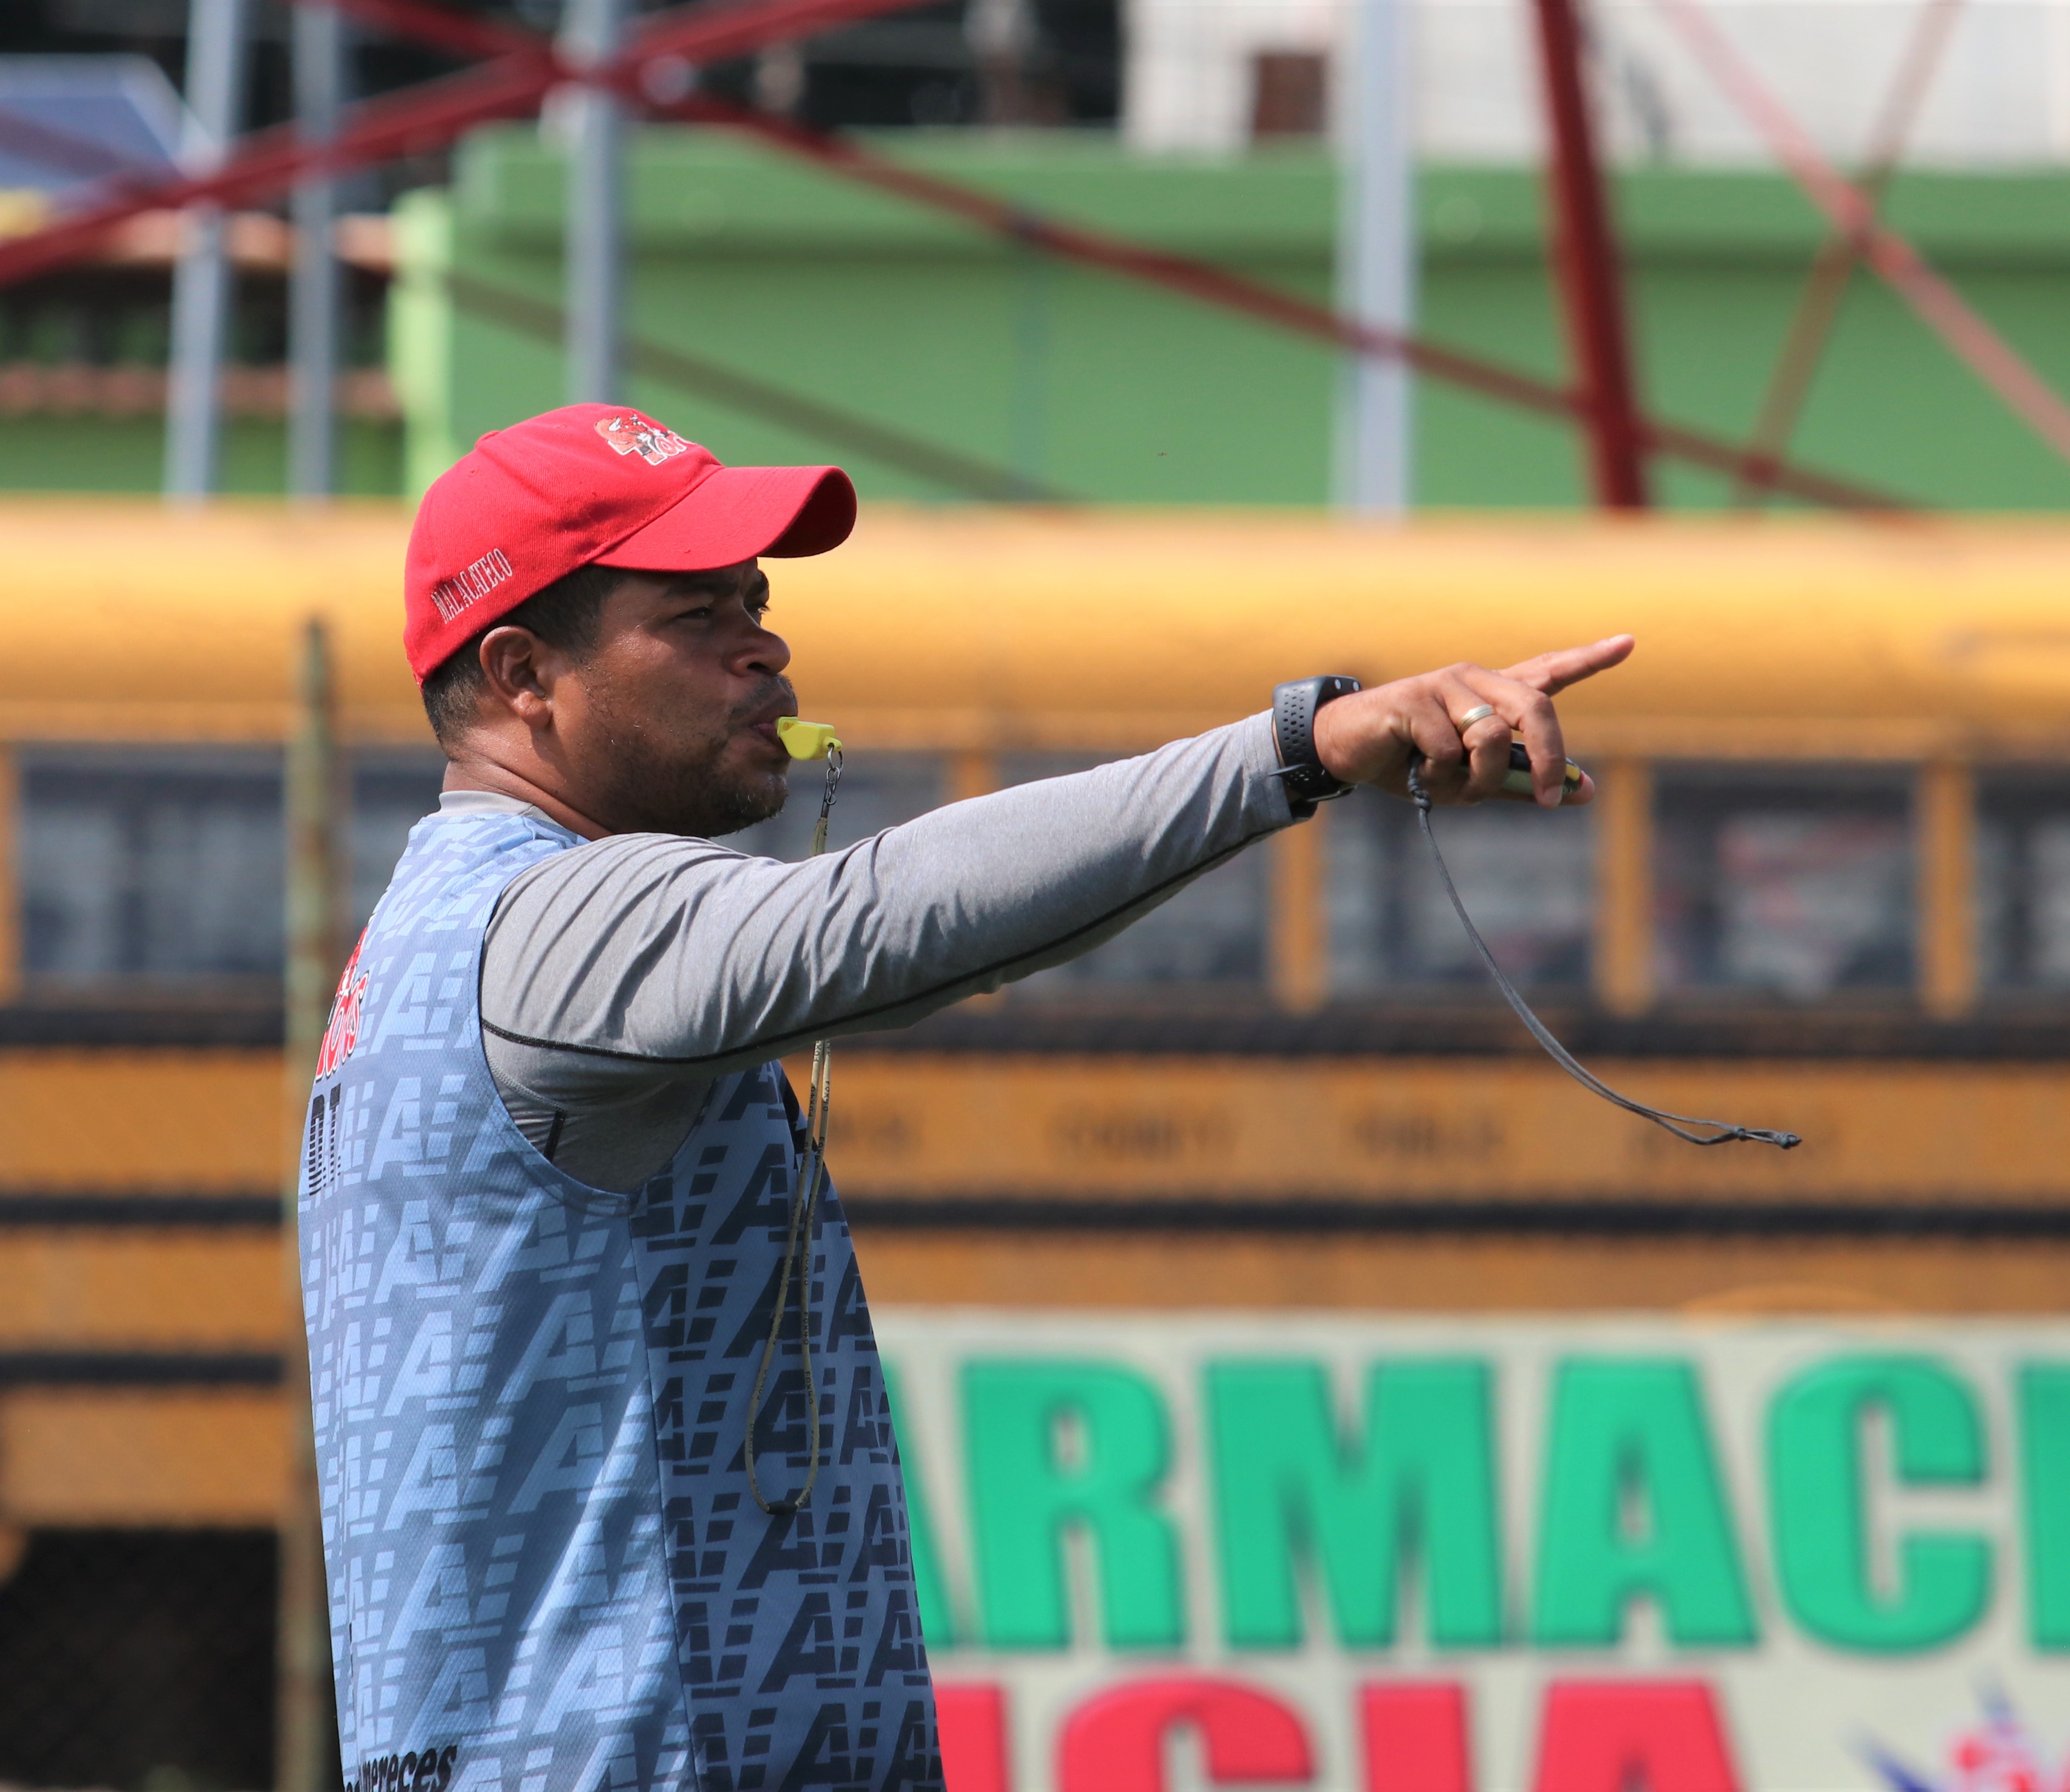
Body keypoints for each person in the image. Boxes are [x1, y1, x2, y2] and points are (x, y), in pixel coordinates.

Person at [297, 404, 1631, 1792]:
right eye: (698, 616)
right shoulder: (549, 927)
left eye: (759, 602)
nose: (767, 645)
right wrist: (1299, 748)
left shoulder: (426, 943)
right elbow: (879, 914)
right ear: (523, 673)